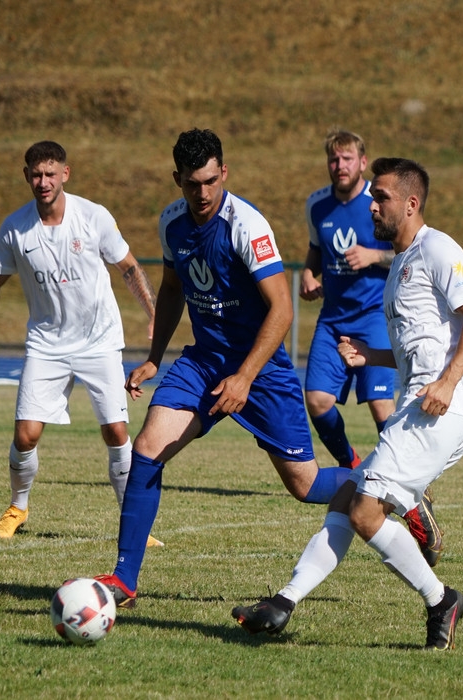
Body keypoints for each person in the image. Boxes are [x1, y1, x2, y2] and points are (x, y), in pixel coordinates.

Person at [231, 157, 463, 651]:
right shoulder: (400, 262)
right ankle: (284, 603)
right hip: (413, 411)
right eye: (373, 197)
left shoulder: (438, 248)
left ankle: (441, 600)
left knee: (364, 512)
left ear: (411, 204)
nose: (372, 206)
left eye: (382, 198)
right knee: (343, 502)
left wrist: (446, 382)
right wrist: (371, 354)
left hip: (438, 413)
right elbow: (420, 345)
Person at [92, 128, 361, 609]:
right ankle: (124, 582)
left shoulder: (247, 225)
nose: (203, 193)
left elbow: (282, 310)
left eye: (211, 181)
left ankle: (386, 484)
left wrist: (244, 377)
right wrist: (155, 356)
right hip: (203, 359)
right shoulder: (172, 223)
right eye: (192, 183)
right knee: (148, 448)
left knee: (305, 484)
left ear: (225, 173)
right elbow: (172, 289)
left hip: (261, 368)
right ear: (177, 179)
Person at [0, 140, 161, 543]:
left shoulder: (93, 217)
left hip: (99, 341)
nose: (43, 182)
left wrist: (154, 314)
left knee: (116, 431)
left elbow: (129, 268)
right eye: (36, 174)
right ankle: (18, 507)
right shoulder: (15, 228)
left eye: (51, 174)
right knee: (26, 434)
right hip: (46, 344)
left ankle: (132, 520)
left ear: (65, 174)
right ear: (26, 176)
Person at [301, 129, 443, 566]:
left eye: (347, 159)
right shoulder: (316, 205)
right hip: (332, 320)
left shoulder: (380, 202)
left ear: (362, 163)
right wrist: (309, 276)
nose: (339, 166)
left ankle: (414, 491)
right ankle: (352, 465)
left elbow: (403, 251)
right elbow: (313, 251)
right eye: (333, 159)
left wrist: (371, 257)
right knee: (317, 400)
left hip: (372, 320)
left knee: (384, 410)